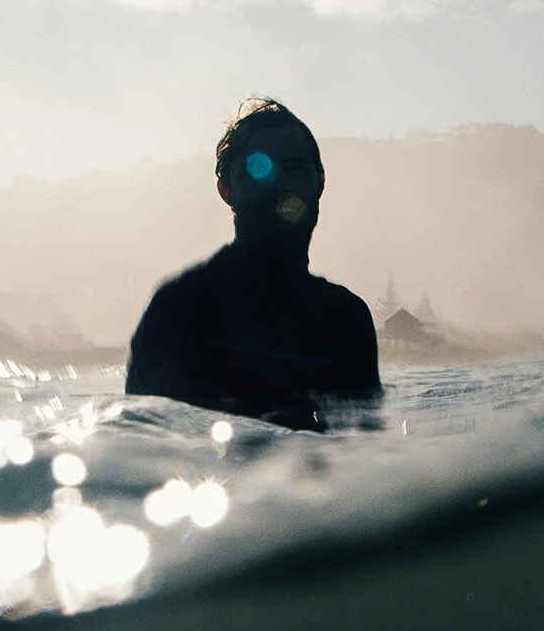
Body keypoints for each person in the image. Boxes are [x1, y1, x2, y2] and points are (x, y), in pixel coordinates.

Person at [126, 98, 381, 431]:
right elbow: (141, 448)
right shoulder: (180, 309)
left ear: (319, 181)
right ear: (226, 190)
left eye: (294, 168)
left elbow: (364, 451)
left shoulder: (346, 318)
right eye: (257, 169)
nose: (278, 186)